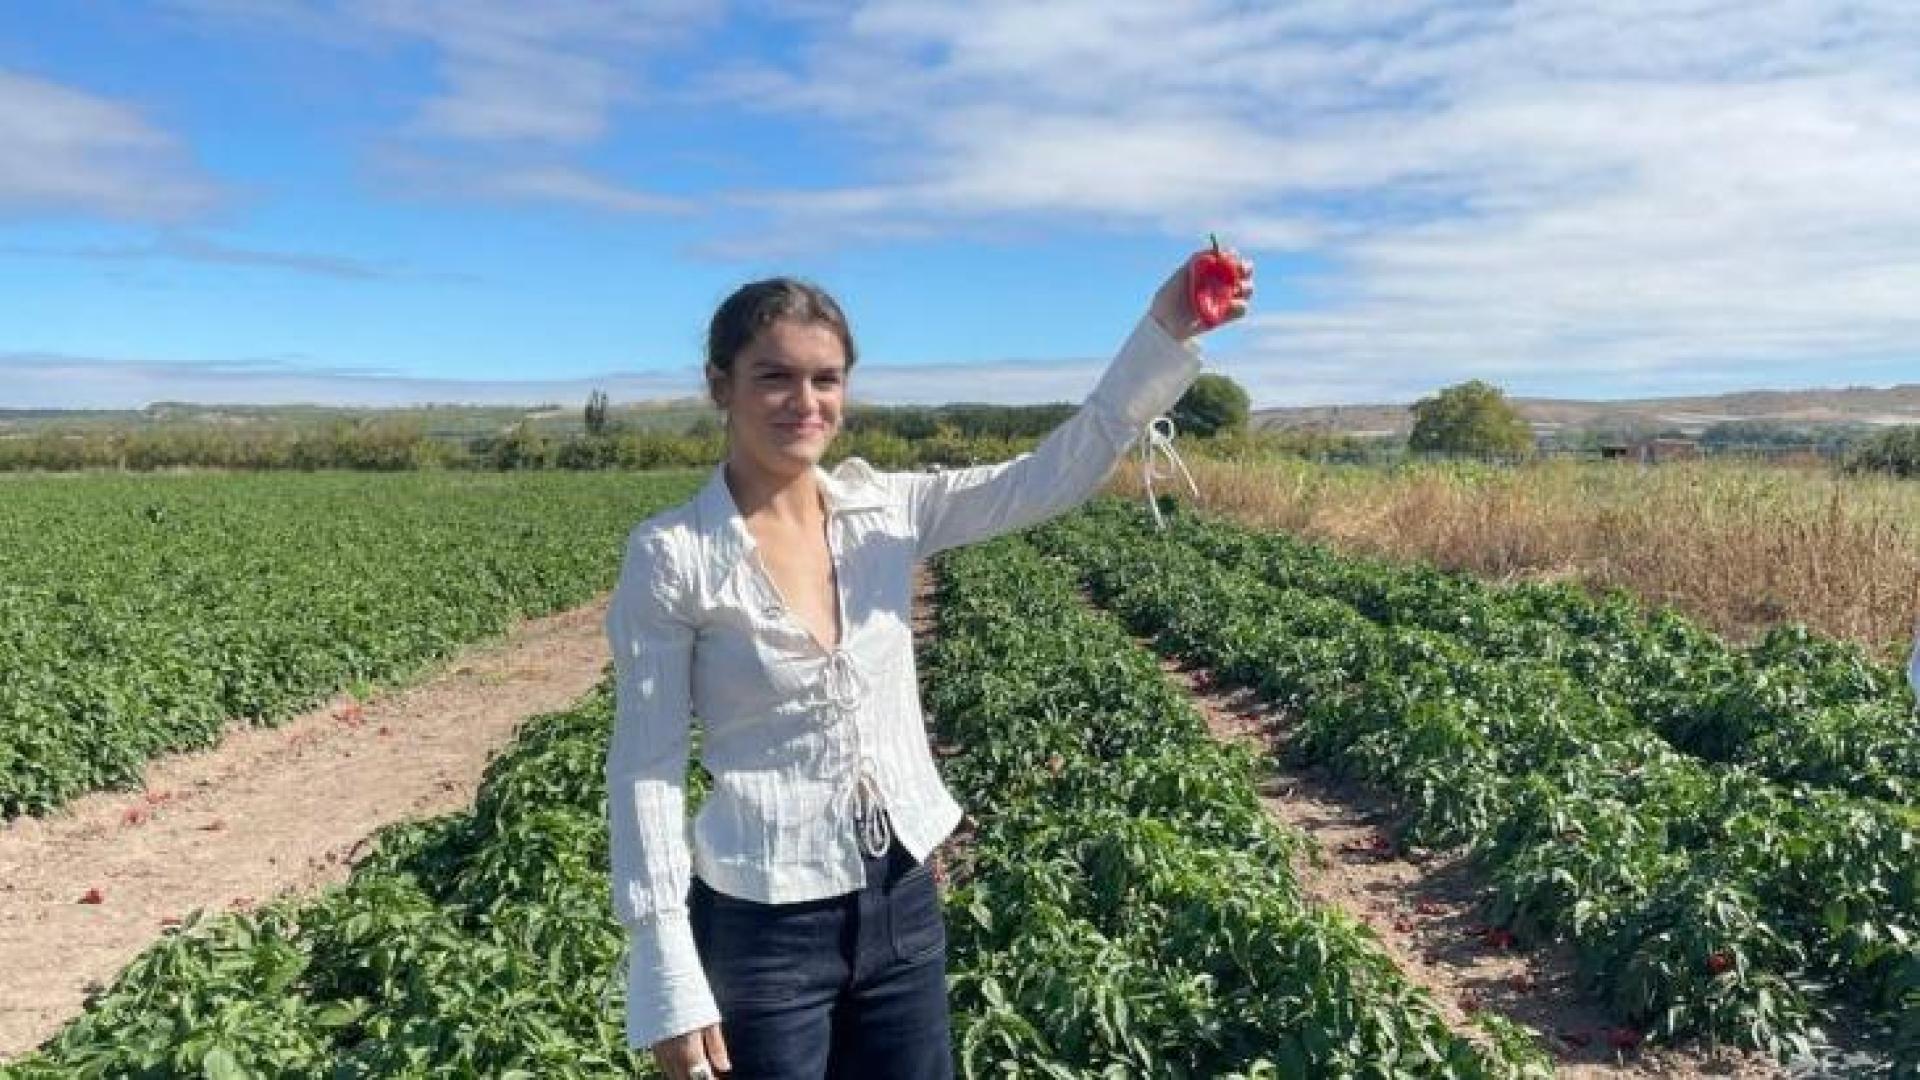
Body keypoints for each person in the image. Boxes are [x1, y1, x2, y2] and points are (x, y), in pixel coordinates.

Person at [605, 247, 1254, 1080]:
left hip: (903, 898)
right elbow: (646, 767)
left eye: (826, 379)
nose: (805, 401)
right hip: (762, 925)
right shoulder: (674, 554)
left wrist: (1165, 329)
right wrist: (663, 962)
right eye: (774, 377)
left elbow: (1048, 476)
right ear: (719, 386)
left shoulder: (886, 511)